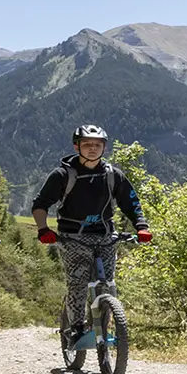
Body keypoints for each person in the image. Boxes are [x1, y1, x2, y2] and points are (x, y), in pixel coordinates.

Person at [29, 125, 151, 341]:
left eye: (97, 145)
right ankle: (75, 330)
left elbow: (131, 203)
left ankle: (104, 327)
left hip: (105, 236)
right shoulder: (63, 175)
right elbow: (40, 204)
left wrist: (141, 226)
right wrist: (43, 229)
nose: (92, 149)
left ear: (104, 147)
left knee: (107, 284)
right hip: (72, 237)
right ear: (77, 146)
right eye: (87, 144)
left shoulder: (113, 175)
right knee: (78, 283)